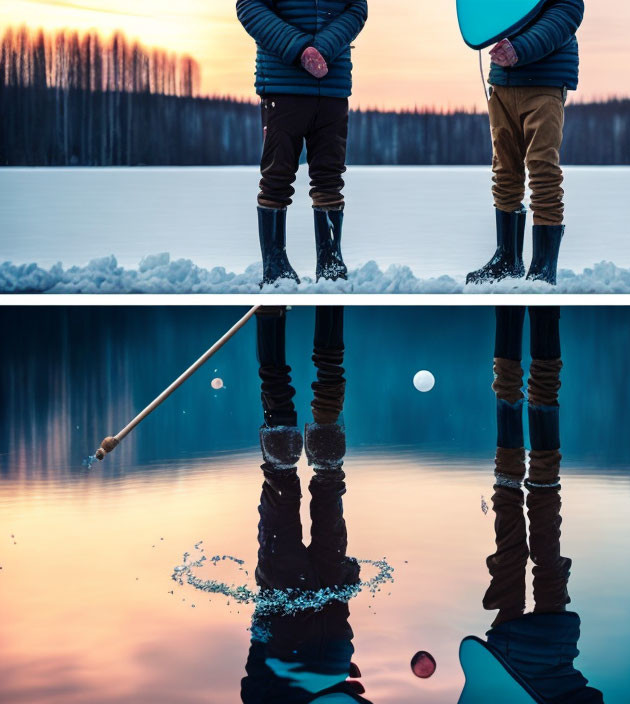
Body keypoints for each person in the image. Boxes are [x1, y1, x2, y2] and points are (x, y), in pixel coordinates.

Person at [457, 306, 604, 702]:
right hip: (516, 659)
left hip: (549, 653)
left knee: (543, 550)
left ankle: (533, 315)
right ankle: (524, 316)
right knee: (512, 553)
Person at [243, 305, 372, 703]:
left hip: (299, 614)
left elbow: (254, 686)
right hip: (324, 627)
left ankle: (277, 317)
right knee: (320, 480)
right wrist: (327, 680)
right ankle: (315, 309)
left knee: (297, 480)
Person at [236, 1, 368, 286]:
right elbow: (249, 6)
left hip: (332, 87)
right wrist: (299, 50)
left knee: (330, 178)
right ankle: (274, 266)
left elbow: (357, 8)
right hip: (283, 85)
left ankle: (331, 261)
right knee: (276, 177)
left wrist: (323, 48)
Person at [466, 1, 585, 287]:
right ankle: (507, 259)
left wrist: (520, 48)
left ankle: (543, 268)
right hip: (503, 82)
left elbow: (564, 15)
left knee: (543, 170)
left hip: (544, 82)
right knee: (505, 172)